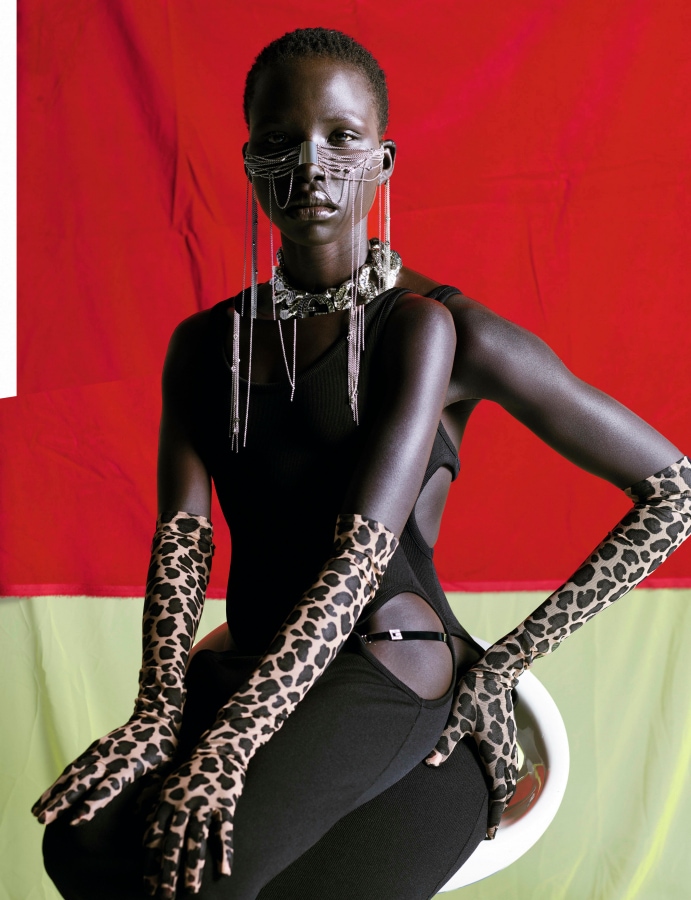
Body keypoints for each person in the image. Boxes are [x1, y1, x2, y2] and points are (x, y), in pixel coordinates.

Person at [32, 27, 691, 900]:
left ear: (382, 162)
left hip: (382, 665)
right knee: (80, 849)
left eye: (341, 138)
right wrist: (158, 713)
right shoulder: (204, 344)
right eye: (280, 140)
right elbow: (183, 539)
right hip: (252, 665)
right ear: (249, 162)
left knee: (199, 880)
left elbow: (673, 493)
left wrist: (505, 663)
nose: (310, 167)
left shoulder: (438, 329)